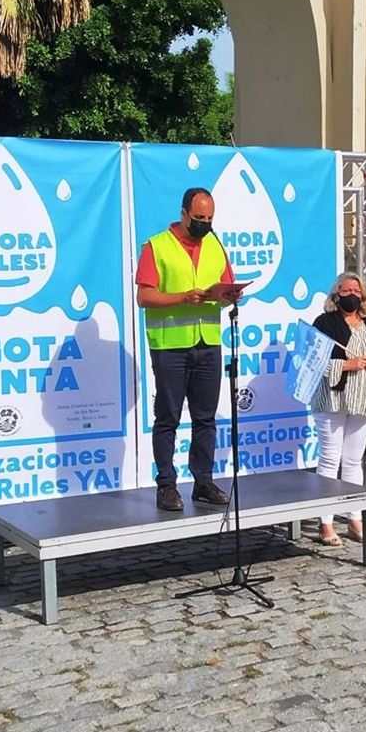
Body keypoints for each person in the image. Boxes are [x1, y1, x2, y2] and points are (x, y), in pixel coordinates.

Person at [135, 186, 240, 513]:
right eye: (199, 217)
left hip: (208, 342)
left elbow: (227, 288)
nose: (205, 224)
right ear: (183, 214)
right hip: (170, 346)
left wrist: (230, 295)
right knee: (168, 417)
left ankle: (203, 482)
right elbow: (144, 296)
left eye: (209, 218)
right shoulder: (157, 246)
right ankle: (166, 485)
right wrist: (183, 297)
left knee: (205, 418)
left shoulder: (215, 245)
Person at [309, 275, 366, 546]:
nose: (352, 294)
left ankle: (354, 517)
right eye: (346, 290)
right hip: (333, 398)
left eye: (356, 290)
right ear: (336, 295)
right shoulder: (324, 322)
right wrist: (346, 365)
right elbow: (314, 361)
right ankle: (326, 521)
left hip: (362, 398)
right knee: (330, 459)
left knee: (354, 461)